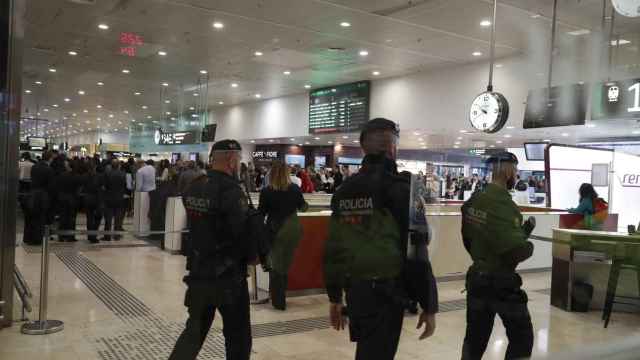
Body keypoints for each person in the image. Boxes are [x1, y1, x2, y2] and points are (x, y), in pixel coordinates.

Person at [324, 118, 438, 360]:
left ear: (364, 148)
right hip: (388, 292)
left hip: (356, 292)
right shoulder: (403, 190)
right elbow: (417, 251)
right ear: (392, 148)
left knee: (367, 350)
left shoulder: (344, 191)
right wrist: (429, 304)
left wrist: (334, 296)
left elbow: (333, 248)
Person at [169, 140, 252, 360]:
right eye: (239, 159)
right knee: (238, 336)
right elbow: (241, 234)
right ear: (232, 160)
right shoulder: (232, 191)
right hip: (228, 277)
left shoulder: (194, 185)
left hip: (198, 272)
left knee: (193, 333)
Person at [460, 152, 536, 360]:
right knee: (522, 338)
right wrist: (528, 245)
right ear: (508, 170)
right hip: (501, 284)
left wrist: (481, 256)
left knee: (474, 339)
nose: (516, 174)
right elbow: (515, 252)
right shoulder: (504, 205)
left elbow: (469, 236)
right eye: (515, 170)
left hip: (477, 278)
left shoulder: (476, 199)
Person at [258, 160, 308, 310]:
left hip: (275, 230)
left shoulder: (267, 191)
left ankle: (278, 301)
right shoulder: (294, 189)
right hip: (292, 230)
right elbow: (303, 207)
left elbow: (261, 213)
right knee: (285, 264)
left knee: (275, 266)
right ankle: (280, 297)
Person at [23, 151, 55, 245]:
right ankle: (36, 239)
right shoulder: (49, 170)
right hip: (42, 196)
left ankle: (28, 238)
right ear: (49, 158)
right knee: (40, 218)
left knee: (31, 217)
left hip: (32, 194)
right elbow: (51, 186)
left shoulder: (34, 167)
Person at [56, 159, 83, 242]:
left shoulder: (62, 175)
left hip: (63, 198)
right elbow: (79, 189)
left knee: (63, 217)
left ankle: (61, 236)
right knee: (72, 218)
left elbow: (58, 187)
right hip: (73, 199)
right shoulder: (77, 176)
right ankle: (70, 236)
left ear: (68, 166)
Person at [102, 160, 127, 241]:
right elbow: (124, 185)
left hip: (109, 198)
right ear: (118, 165)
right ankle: (117, 236)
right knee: (118, 218)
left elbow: (104, 186)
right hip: (119, 198)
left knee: (108, 218)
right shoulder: (123, 174)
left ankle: (107, 236)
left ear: (111, 166)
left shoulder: (107, 174)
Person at [81, 159, 104, 243]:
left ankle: (90, 235)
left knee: (89, 218)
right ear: (95, 167)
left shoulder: (84, 176)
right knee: (98, 217)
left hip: (87, 199)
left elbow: (82, 188)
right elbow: (102, 188)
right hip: (97, 199)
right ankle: (93, 235)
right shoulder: (99, 176)